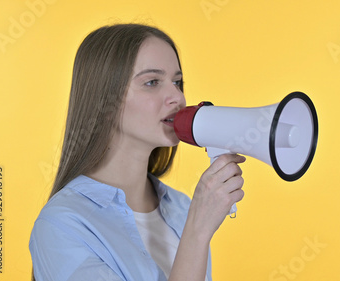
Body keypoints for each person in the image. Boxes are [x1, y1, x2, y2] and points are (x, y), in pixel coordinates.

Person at [29, 23, 246, 281]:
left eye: (177, 82)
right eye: (152, 82)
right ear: (105, 101)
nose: (176, 97)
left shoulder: (181, 207)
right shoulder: (62, 226)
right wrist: (197, 232)